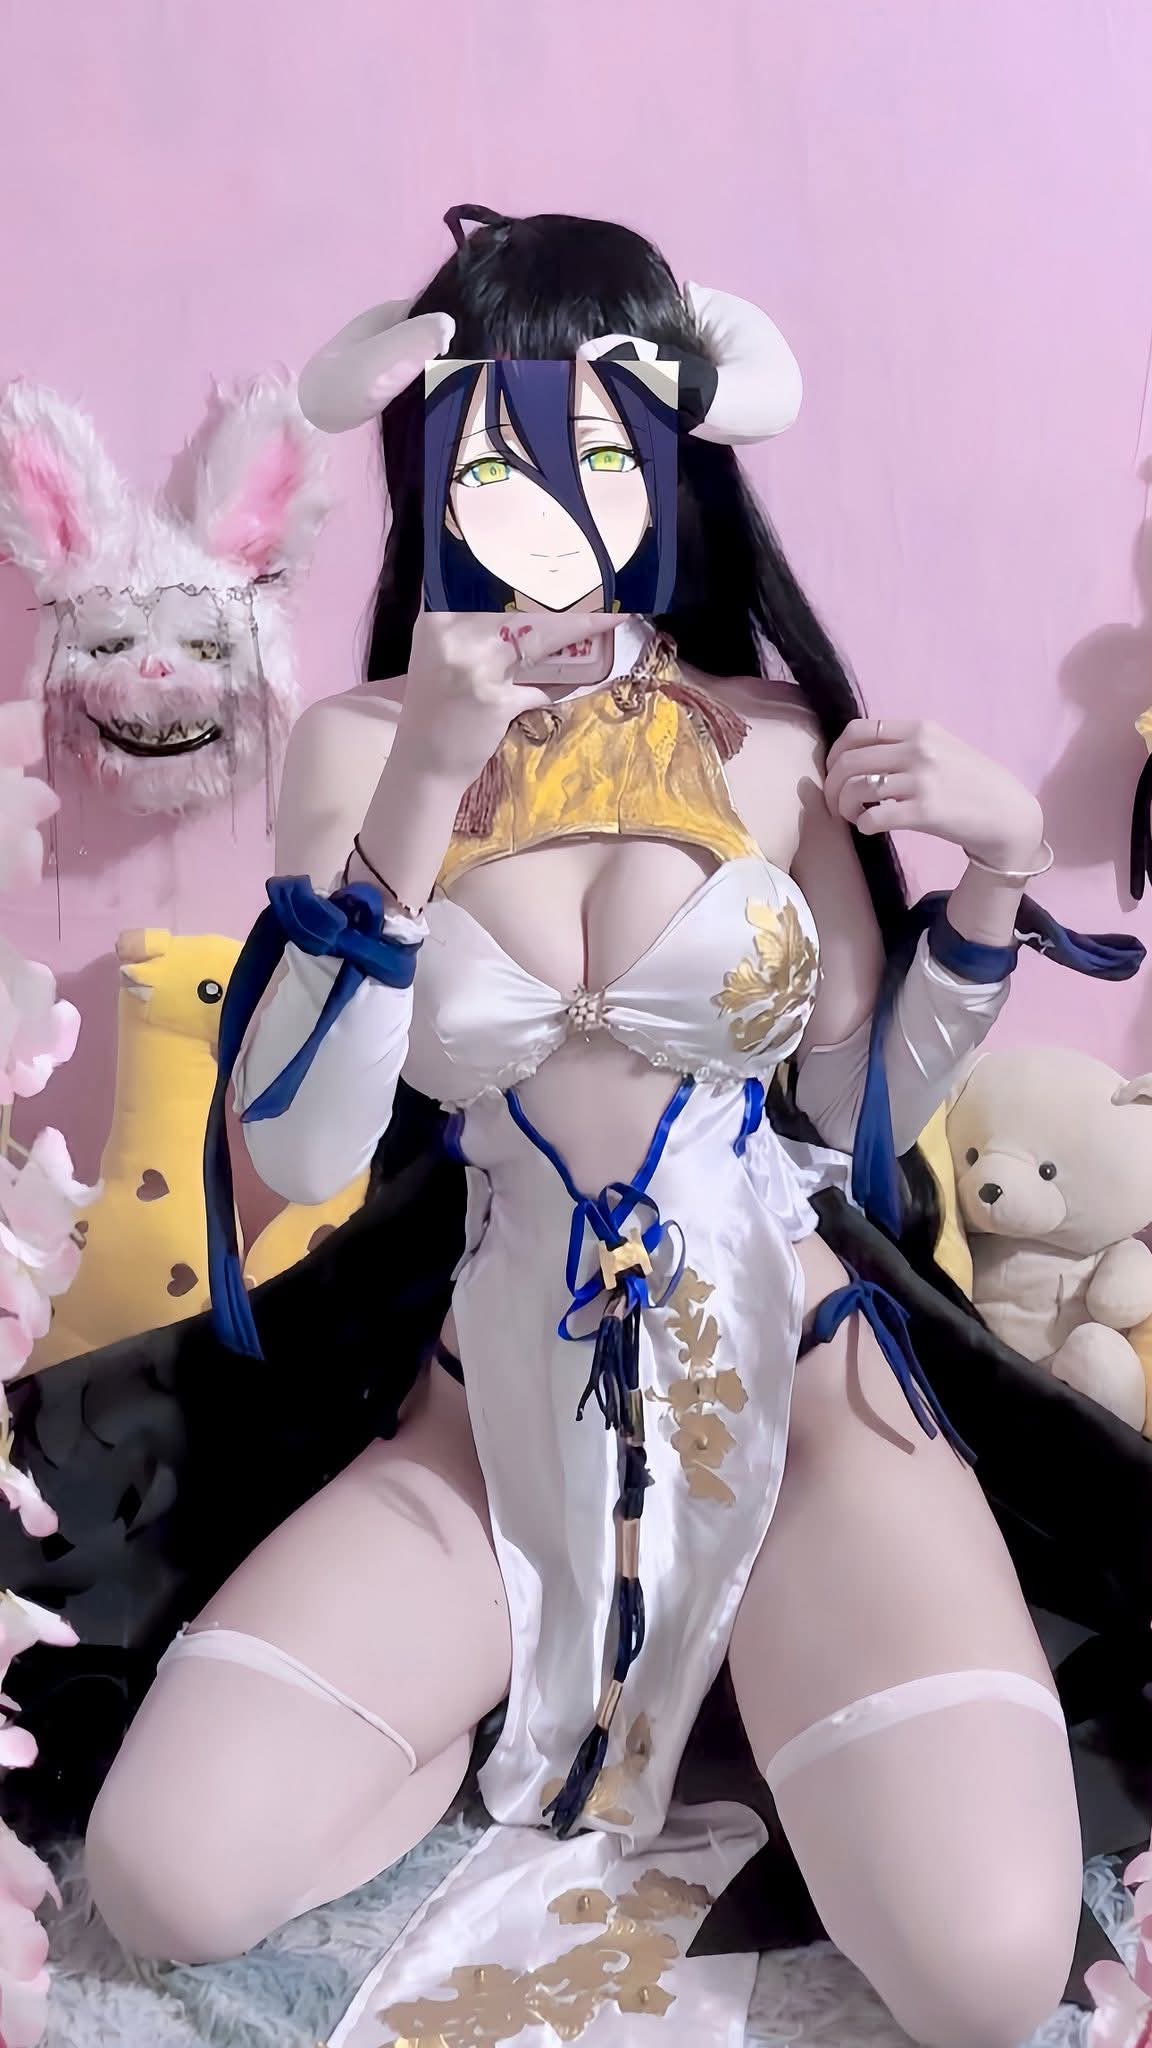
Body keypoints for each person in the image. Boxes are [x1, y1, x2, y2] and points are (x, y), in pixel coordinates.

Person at [76, 208, 1147, 2048]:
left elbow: (856, 1110)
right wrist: (427, 781)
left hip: (802, 1404)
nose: (544, 505)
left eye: (592, 449)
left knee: (981, 1976)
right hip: (495, 1422)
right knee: (165, 1876)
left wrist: (1003, 872)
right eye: (493, 457)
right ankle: (577, 1676)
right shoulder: (353, 740)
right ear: (432, 464)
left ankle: (747, 1659)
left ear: (666, 460)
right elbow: (306, 1153)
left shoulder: (777, 736)